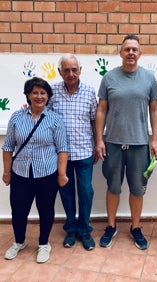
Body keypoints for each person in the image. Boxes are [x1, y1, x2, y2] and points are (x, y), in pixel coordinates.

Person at [95, 34, 157, 250]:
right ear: (120, 52)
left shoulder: (149, 78)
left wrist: (155, 139)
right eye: (127, 49)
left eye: (134, 49)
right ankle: (111, 226)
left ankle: (135, 227)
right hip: (113, 143)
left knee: (137, 189)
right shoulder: (109, 78)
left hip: (140, 144)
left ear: (140, 54)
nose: (131, 52)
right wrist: (99, 140)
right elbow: (102, 109)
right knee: (113, 187)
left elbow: (155, 109)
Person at [2, 77, 68, 263]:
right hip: (20, 172)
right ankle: (19, 242)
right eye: (35, 93)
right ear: (28, 95)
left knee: (45, 209)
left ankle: (43, 244)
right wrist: (7, 172)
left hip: (47, 173)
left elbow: (63, 148)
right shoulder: (17, 117)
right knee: (19, 209)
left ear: (48, 97)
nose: (39, 96)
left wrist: (62, 174)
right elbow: (8, 147)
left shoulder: (55, 119)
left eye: (43, 93)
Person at [48, 54, 98, 251]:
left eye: (74, 69)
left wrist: (97, 144)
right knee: (66, 193)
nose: (71, 74)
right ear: (60, 72)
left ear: (80, 70)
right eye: (66, 70)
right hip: (61, 155)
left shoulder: (89, 92)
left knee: (86, 192)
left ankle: (84, 230)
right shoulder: (52, 92)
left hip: (85, 151)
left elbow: (95, 120)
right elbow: (47, 120)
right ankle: (70, 229)